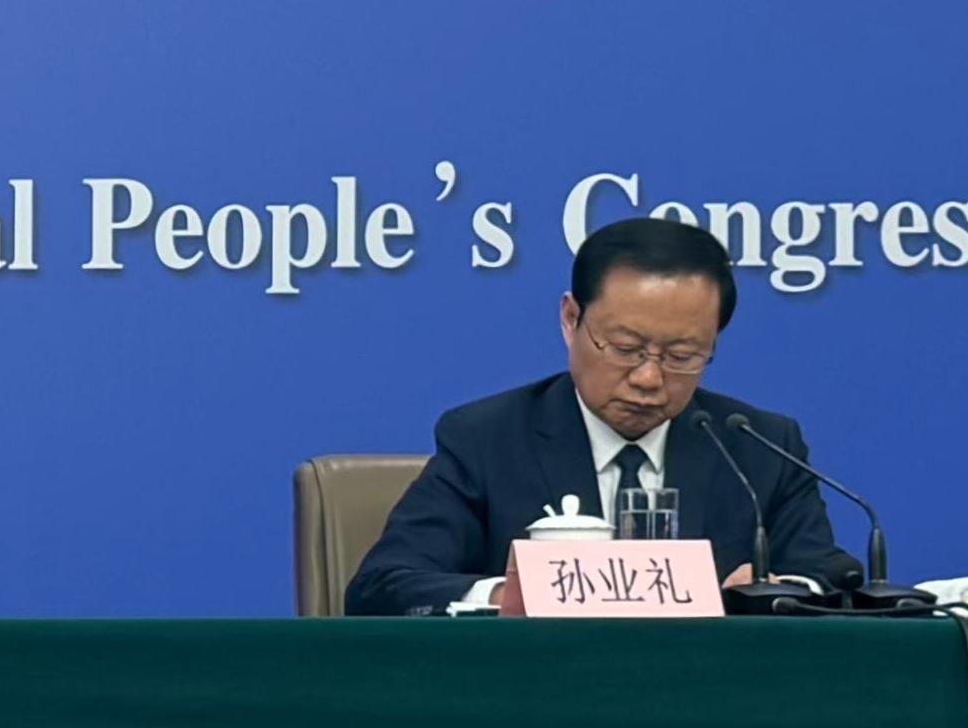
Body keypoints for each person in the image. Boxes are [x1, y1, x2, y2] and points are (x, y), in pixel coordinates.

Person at [346, 213, 836, 616]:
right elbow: (382, 587)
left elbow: (828, 580)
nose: (649, 377)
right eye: (624, 348)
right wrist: (508, 596)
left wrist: (775, 592)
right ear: (570, 319)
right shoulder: (486, 439)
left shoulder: (758, 447)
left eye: (682, 356)